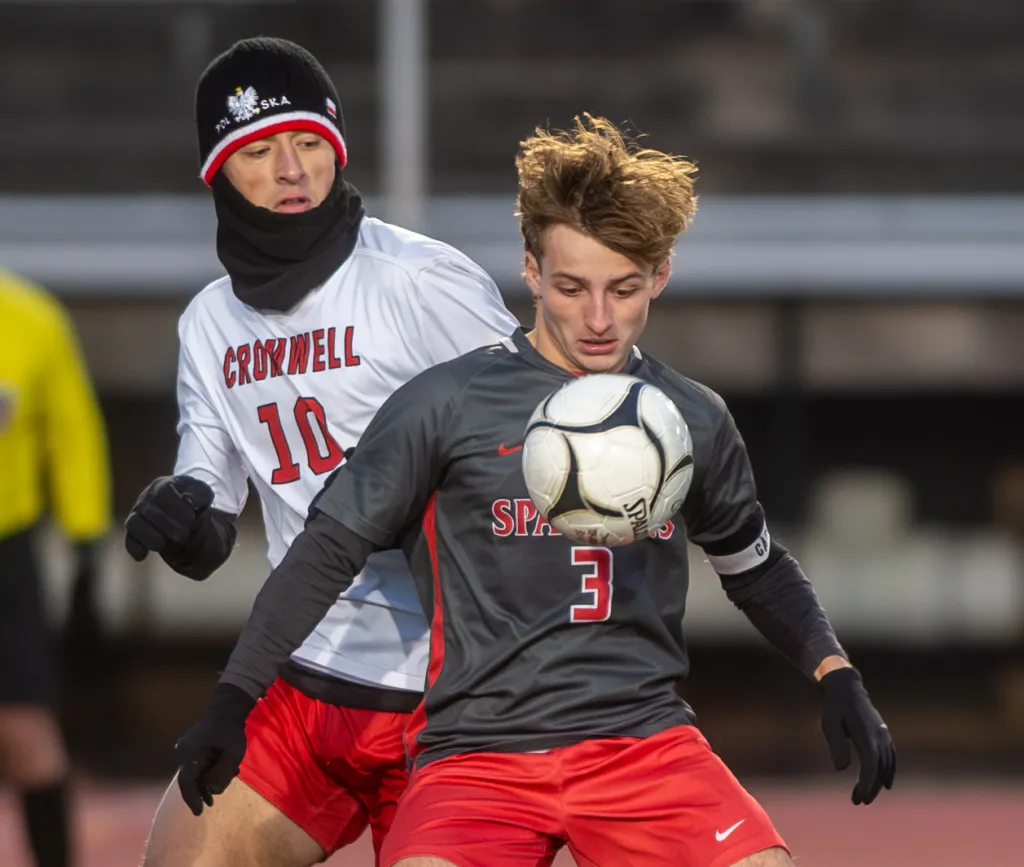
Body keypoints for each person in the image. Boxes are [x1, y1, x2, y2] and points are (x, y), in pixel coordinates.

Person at [174, 115, 897, 867]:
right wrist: (234, 696)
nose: (596, 318)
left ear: (661, 274)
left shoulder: (688, 417)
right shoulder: (445, 404)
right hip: (475, 754)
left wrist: (835, 672)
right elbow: (326, 551)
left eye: (623, 289)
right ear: (529, 270)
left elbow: (755, 567)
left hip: (641, 744)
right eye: (570, 286)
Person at [122, 37, 519, 867]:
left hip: (451, 694)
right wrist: (182, 517)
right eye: (259, 151)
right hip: (305, 679)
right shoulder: (208, 323)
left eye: (309, 143)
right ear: (218, 172)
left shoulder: (420, 280)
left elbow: (534, 444)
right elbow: (214, 497)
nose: (291, 168)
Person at [1, 268, 111, 867]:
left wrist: (85, 539)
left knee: (26, 734)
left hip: (5, 552)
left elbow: (71, 431)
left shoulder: (30, 319)